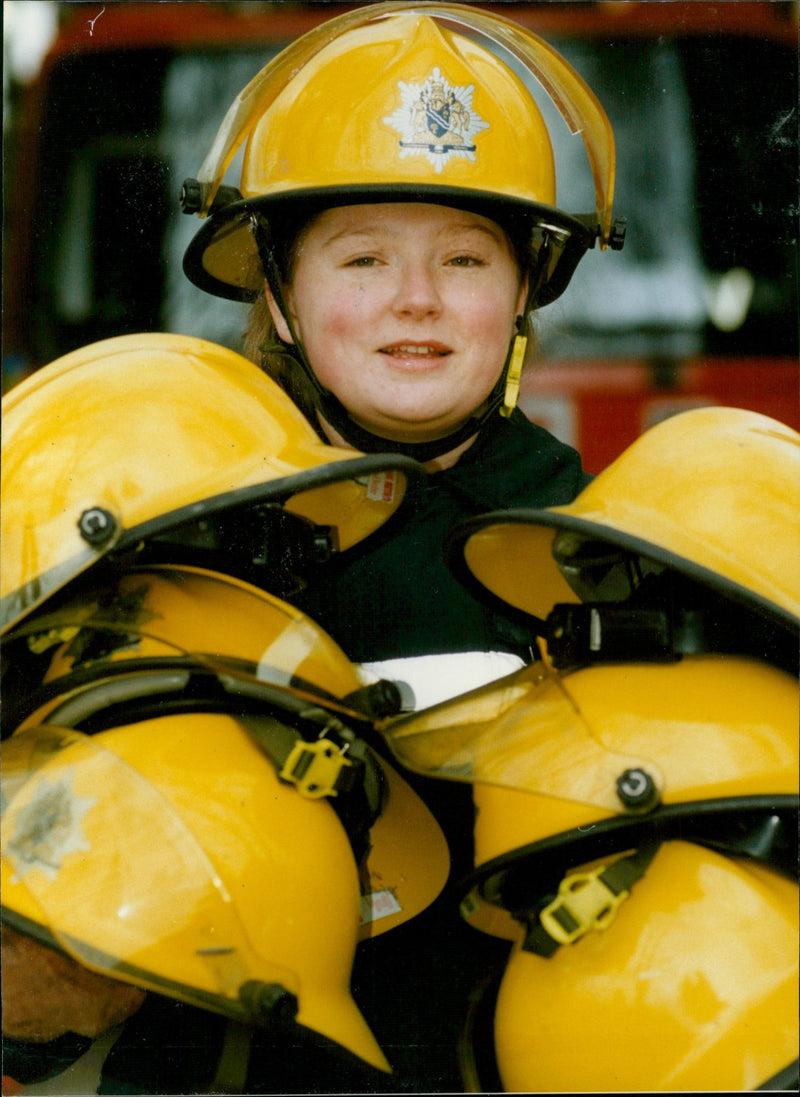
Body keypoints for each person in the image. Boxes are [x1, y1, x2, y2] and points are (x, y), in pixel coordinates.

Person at [3, 3, 625, 1092]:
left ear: (525, 287)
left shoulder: (618, 545)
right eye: (363, 257)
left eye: (466, 258)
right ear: (281, 297)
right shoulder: (160, 514)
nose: (415, 301)